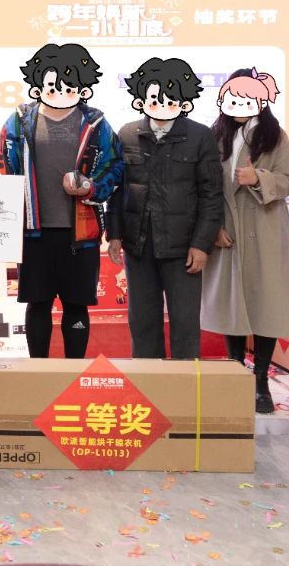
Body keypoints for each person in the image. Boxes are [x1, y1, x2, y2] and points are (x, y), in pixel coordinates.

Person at [0, 44, 123, 359]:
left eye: (70, 85)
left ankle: (75, 371)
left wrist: (91, 187)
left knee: (76, 305)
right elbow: (4, 163)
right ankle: (37, 371)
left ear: (83, 86)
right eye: (53, 85)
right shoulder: (19, 120)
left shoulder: (96, 123)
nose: (60, 92)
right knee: (37, 302)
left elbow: (115, 165)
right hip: (33, 231)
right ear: (38, 82)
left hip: (80, 233)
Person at [107, 57, 222, 360]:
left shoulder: (200, 136)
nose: (161, 104)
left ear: (184, 100)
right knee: (142, 323)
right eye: (155, 97)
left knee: (185, 324)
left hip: (183, 247)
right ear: (141, 97)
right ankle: (148, 383)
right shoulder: (127, 134)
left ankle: (184, 386)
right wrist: (114, 234)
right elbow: (116, 189)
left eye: (171, 98)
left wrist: (201, 244)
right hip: (138, 245)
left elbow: (211, 195)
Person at [201, 69, 289, 413]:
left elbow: (288, 182)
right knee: (232, 303)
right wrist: (212, 227)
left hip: (265, 227)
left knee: (265, 304)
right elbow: (204, 185)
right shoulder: (215, 135)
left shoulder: (275, 136)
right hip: (227, 230)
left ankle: (260, 382)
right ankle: (235, 371)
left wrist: (259, 177)